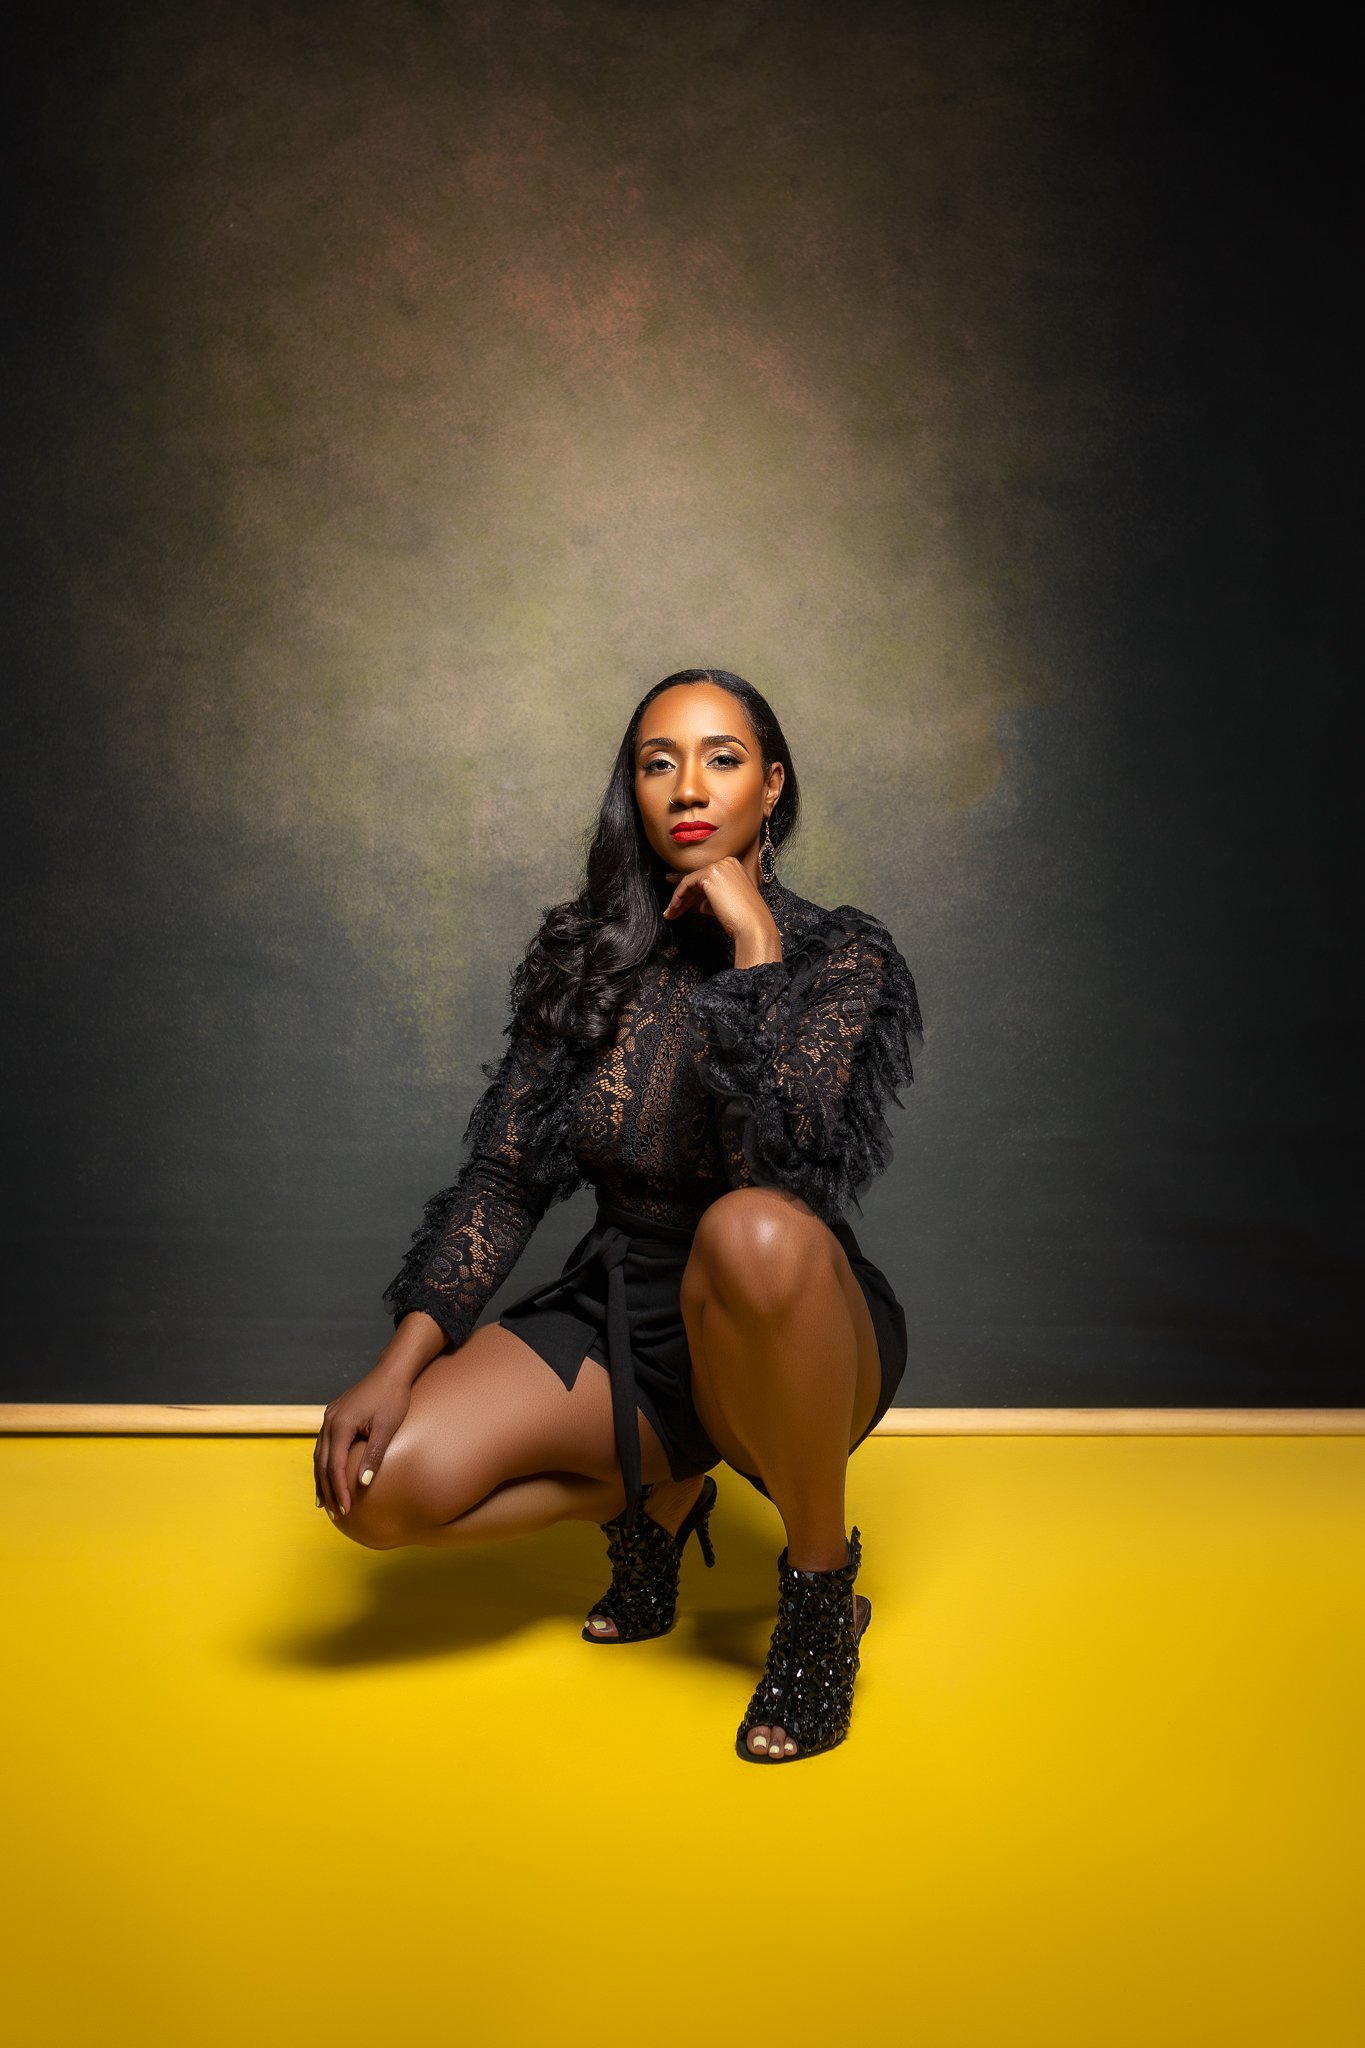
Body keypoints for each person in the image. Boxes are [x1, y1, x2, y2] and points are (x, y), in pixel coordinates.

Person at [314, 666, 924, 1762]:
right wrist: (399, 1363)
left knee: (750, 1227)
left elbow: (782, 1168)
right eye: (658, 762)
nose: (689, 786)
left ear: (771, 786)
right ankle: (654, 1497)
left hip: (787, 1316)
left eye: (722, 758)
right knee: (375, 1496)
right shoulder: (584, 955)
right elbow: (506, 1178)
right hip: (625, 1312)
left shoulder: (842, 956)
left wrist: (755, 952)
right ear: (633, 790)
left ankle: (819, 1597)